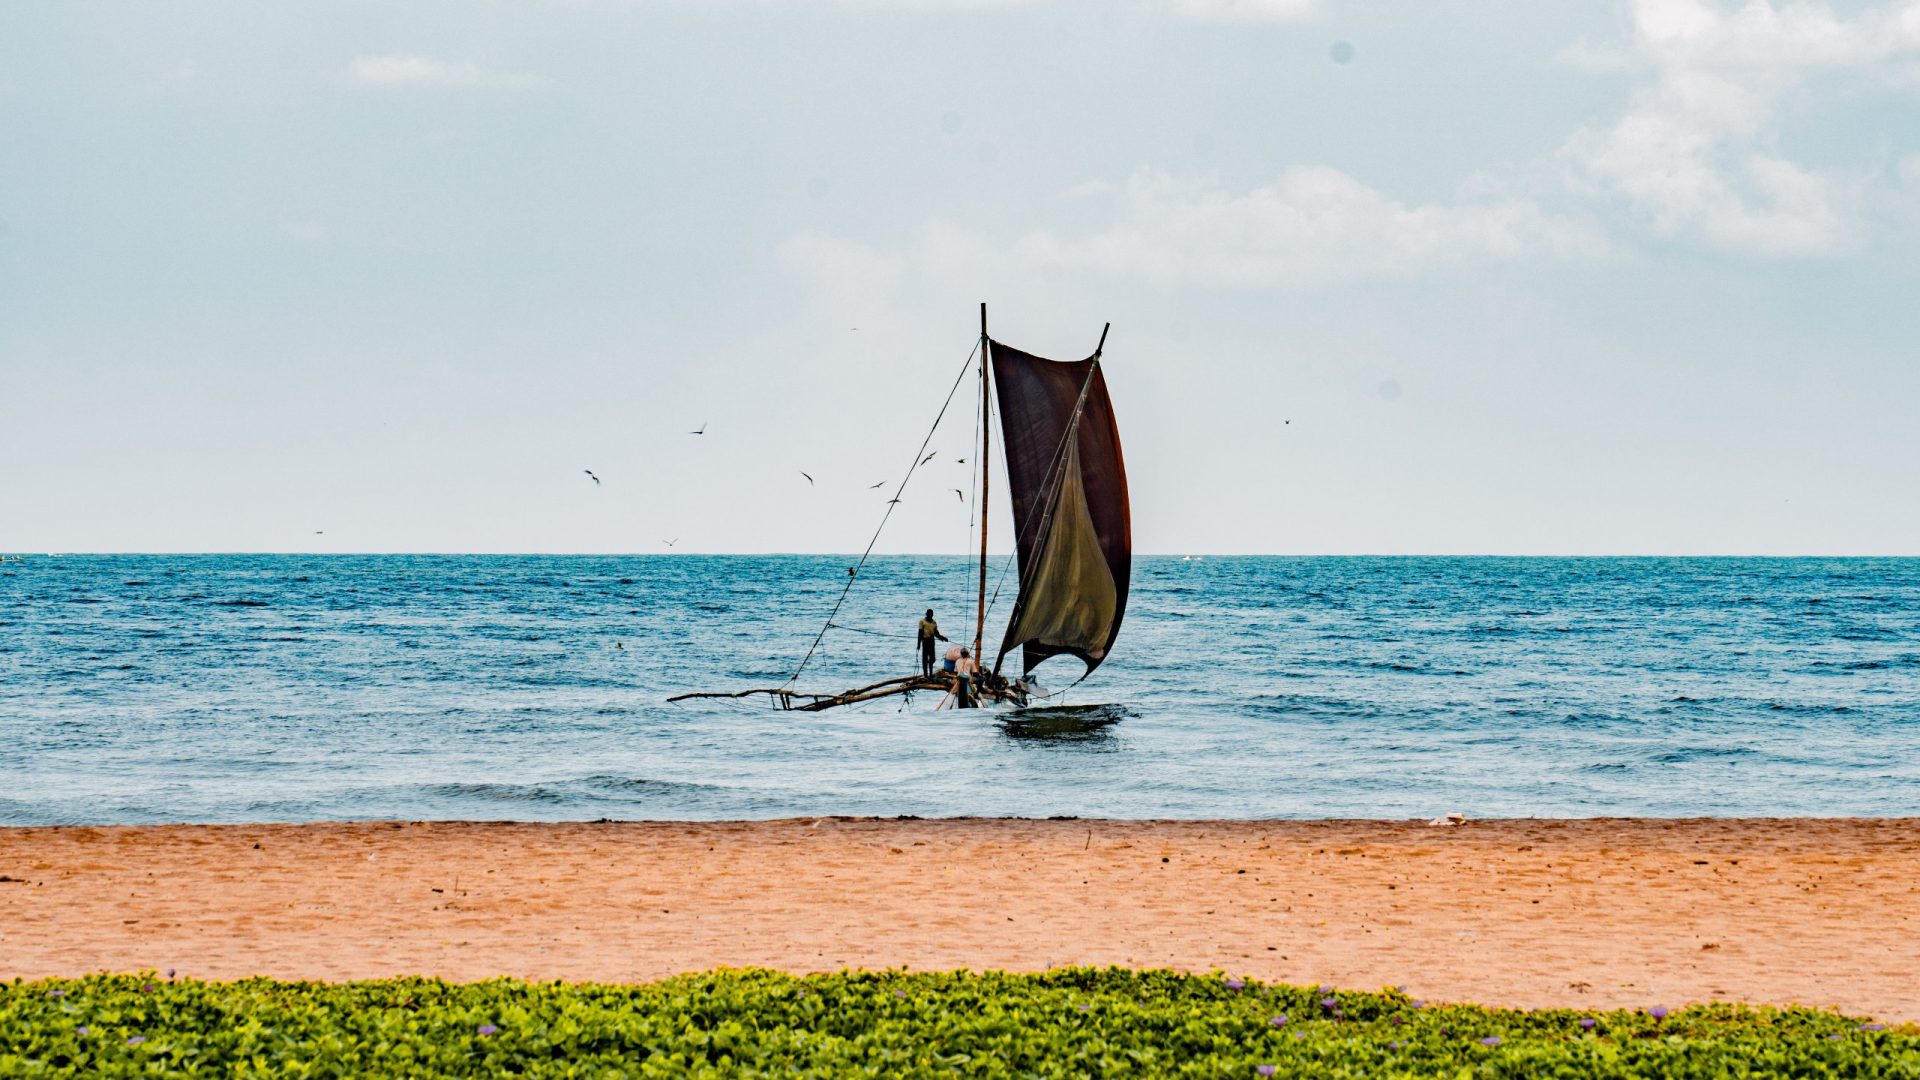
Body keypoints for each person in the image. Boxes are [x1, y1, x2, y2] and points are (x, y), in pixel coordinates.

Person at [916, 609, 948, 677]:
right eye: (928, 614)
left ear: (932, 615)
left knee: (932, 659)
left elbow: (936, 633)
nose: (929, 615)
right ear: (926, 614)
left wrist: (943, 638)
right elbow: (920, 633)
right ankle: (925, 675)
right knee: (925, 659)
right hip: (925, 641)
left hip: (932, 641)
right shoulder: (922, 622)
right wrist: (918, 644)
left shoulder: (934, 623)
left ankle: (930, 673)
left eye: (930, 614)